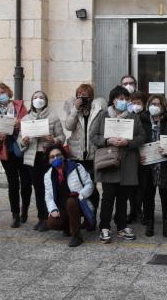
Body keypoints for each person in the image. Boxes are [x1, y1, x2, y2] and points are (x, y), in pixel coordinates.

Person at [90, 86, 146, 244]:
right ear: (113, 100)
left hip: (127, 163)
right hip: (109, 161)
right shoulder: (103, 115)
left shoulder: (133, 116)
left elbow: (142, 136)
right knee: (107, 197)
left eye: (126, 99)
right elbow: (93, 136)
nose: (124, 101)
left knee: (123, 198)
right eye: (120, 98)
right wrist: (107, 140)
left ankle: (121, 226)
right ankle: (104, 227)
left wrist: (128, 142)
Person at [19, 90, 66, 232]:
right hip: (32, 158)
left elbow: (62, 137)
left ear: (46, 100)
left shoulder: (53, 117)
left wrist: (54, 140)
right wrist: (24, 142)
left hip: (49, 157)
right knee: (38, 189)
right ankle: (42, 218)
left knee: (51, 188)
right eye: (35, 97)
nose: (38, 99)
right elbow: (19, 142)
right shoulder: (26, 119)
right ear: (31, 101)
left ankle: (55, 216)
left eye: (41, 97)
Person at [63, 84, 105, 229]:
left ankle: (91, 218)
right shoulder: (72, 108)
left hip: (93, 156)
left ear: (91, 96)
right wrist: (75, 109)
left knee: (92, 189)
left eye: (85, 95)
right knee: (76, 189)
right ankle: (80, 216)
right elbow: (68, 126)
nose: (82, 97)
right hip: (77, 156)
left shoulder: (98, 109)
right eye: (79, 94)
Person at [0, 82, 30, 228]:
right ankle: (15, 214)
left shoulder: (19, 106)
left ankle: (25, 210)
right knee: (13, 184)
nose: (1, 95)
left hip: (22, 150)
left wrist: (21, 124)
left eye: (3, 92)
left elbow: (29, 123)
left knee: (25, 183)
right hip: (7, 151)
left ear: (8, 92)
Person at [44, 144, 94, 247]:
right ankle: (68, 226)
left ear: (63, 155)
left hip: (78, 203)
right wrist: (53, 209)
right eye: (52, 157)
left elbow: (90, 184)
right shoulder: (48, 175)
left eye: (58, 155)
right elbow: (48, 196)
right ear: (49, 160)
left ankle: (77, 236)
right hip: (62, 207)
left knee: (71, 202)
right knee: (51, 223)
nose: (56, 158)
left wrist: (80, 195)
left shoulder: (77, 167)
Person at [139, 94, 167, 237]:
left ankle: (166, 224)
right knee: (148, 196)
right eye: (152, 104)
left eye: (158, 104)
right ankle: (150, 223)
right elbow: (137, 141)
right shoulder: (141, 121)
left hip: (164, 164)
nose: (155, 106)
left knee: (166, 195)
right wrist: (138, 155)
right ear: (148, 106)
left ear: (163, 106)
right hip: (147, 165)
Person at [127, 91, 147, 224]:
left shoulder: (146, 118)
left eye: (138, 103)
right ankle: (133, 211)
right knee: (131, 187)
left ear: (144, 105)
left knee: (143, 186)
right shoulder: (127, 117)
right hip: (131, 156)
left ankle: (140, 211)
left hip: (144, 156)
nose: (135, 105)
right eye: (133, 103)